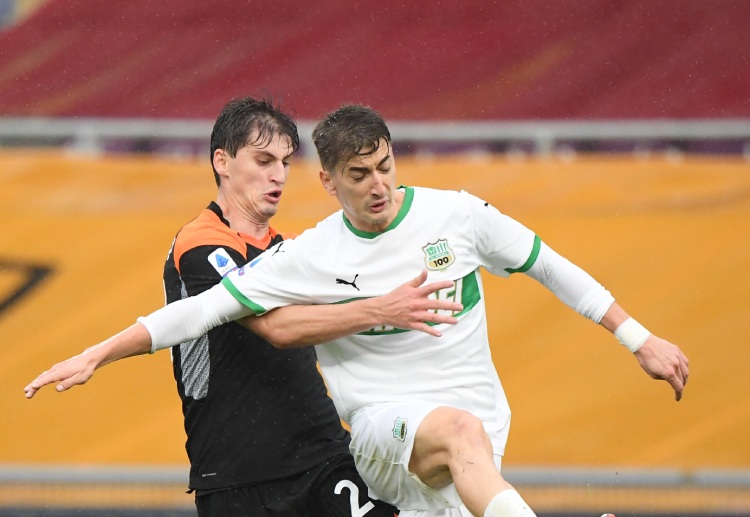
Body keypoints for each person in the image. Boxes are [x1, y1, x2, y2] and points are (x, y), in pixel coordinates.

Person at [27, 104, 690, 517]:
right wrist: (96, 353)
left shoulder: (445, 217)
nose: (379, 184)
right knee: (459, 432)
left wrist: (637, 336)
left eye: (385, 166)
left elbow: (547, 264)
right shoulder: (237, 247)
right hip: (266, 462)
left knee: (462, 443)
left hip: (336, 451)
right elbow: (241, 321)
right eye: (263, 160)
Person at [23, 98, 466, 517]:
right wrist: (380, 309)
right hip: (238, 475)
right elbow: (276, 328)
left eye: (285, 163)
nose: (278, 176)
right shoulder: (201, 242)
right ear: (222, 162)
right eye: (263, 161)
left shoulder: (290, 250)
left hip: (322, 456)